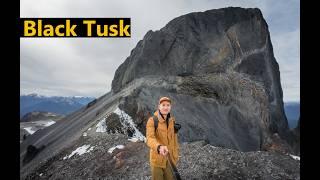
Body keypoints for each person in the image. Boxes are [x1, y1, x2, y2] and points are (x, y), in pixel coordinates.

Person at [146, 96, 180, 180]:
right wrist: (159, 147)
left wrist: (175, 155)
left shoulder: (172, 121)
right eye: (163, 105)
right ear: (159, 107)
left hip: (170, 159)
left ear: (170, 107)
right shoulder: (152, 121)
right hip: (157, 161)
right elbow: (149, 139)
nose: (165, 107)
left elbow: (174, 140)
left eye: (168, 105)